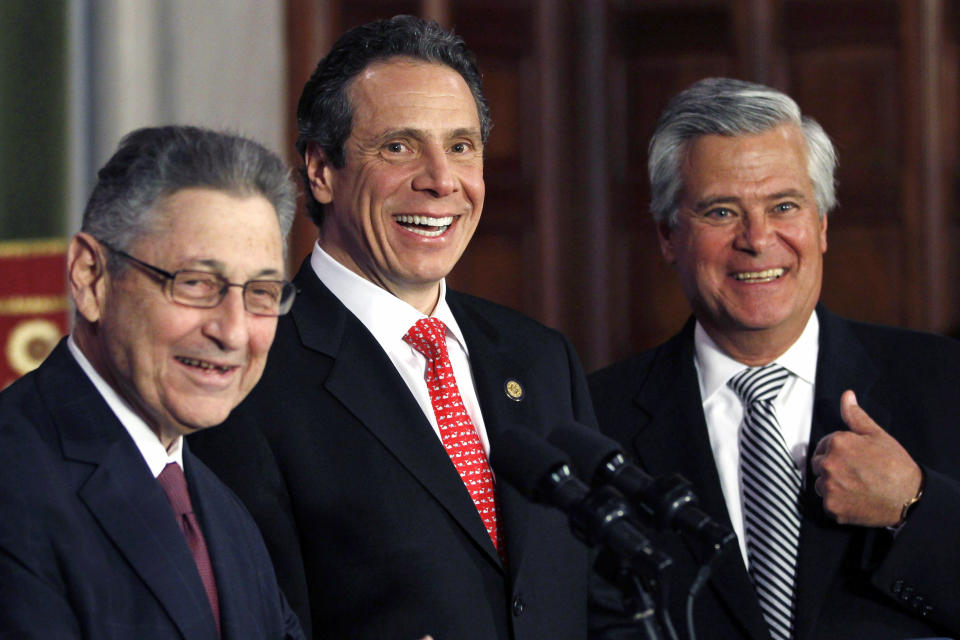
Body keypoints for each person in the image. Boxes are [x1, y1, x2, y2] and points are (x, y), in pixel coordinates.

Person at [188, 15, 597, 640]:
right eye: (399, 147)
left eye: (462, 146)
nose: (440, 180)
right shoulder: (249, 374)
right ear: (321, 169)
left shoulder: (540, 359)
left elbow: (602, 597)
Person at [589, 77, 960, 639]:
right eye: (720, 212)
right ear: (668, 235)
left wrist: (914, 505)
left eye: (784, 205)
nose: (758, 239)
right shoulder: (596, 416)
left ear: (822, 224)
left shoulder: (943, 381)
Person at [0, 125, 305, 639]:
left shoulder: (223, 515)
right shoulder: (15, 485)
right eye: (195, 284)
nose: (232, 331)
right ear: (91, 278)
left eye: (260, 292)